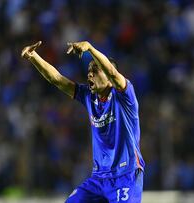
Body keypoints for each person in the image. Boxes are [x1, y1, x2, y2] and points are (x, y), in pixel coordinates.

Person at [21, 41, 145, 203]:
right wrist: (33, 57)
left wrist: (90, 48)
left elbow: (114, 74)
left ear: (108, 78)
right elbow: (57, 80)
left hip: (126, 175)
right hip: (99, 178)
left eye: (95, 70)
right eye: (88, 71)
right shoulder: (88, 96)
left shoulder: (124, 96)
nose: (89, 75)